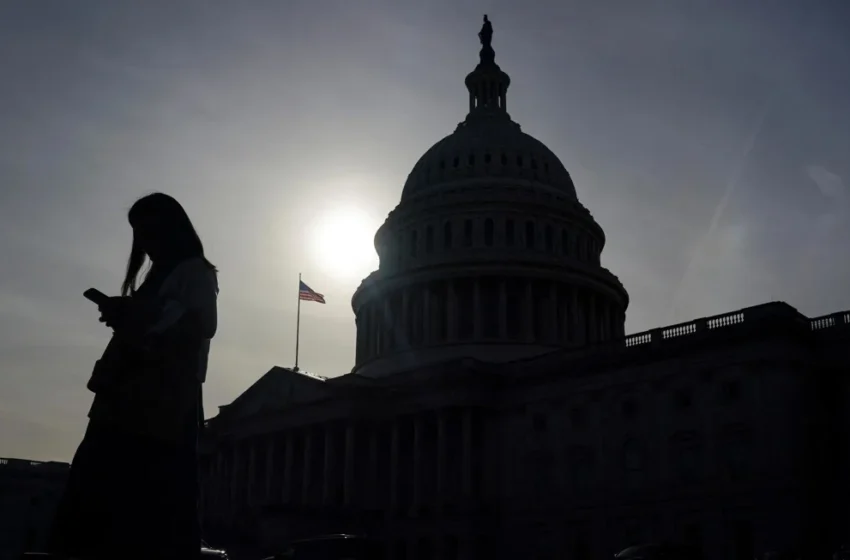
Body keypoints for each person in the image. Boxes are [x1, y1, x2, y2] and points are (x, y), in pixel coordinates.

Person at [48, 193, 219, 560]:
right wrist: (126, 313)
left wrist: (136, 317)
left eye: (150, 232)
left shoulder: (194, 272)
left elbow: (201, 326)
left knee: (144, 498)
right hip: (126, 394)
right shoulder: (160, 275)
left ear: (171, 230)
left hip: (160, 402)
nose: (145, 243)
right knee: (102, 492)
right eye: (139, 234)